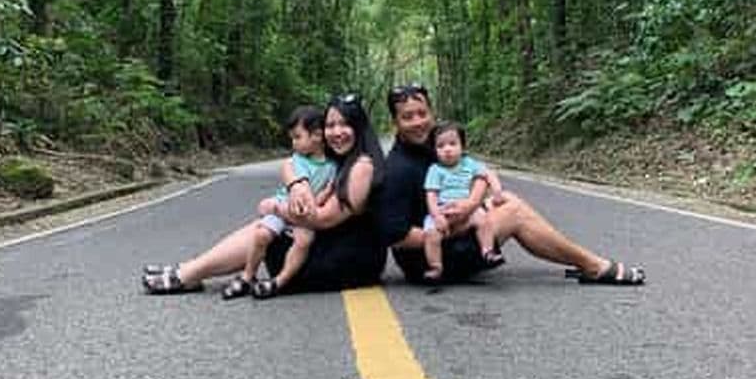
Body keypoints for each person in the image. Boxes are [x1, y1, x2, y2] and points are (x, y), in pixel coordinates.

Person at [382, 84, 645, 286]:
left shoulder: (436, 146)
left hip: (455, 225)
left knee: (506, 199)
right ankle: (593, 266)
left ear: (432, 113)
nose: (418, 122)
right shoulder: (398, 168)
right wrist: (455, 225)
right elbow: (397, 238)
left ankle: (585, 261)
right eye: (408, 117)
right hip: (429, 259)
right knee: (514, 214)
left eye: (422, 113)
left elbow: (477, 175)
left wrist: (472, 204)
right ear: (395, 122)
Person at [142, 94, 386, 296]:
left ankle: (191, 273)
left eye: (345, 125)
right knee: (267, 228)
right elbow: (292, 163)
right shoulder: (338, 157)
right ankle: (191, 270)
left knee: (268, 227)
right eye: (330, 125)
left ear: (360, 128)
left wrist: (275, 207)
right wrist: (297, 185)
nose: (337, 132)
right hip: (330, 246)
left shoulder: (362, 167)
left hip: (347, 261)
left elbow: (323, 219)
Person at [220, 104, 337, 301]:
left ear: (317, 135)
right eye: (292, 138)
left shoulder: (332, 165)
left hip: (308, 215)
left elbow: (328, 190)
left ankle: (280, 280)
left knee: (304, 241)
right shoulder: (297, 160)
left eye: (297, 137)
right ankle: (247, 275)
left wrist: (315, 203)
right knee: (261, 234)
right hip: (284, 206)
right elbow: (299, 187)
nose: (293, 143)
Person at [422, 120, 506, 282]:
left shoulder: (470, 164)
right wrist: (437, 215)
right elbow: (431, 195)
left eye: (452, 144)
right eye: (440, 146)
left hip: (468, 208)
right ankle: (435, 266)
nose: (447, 149)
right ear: (434, 150)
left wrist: (497, 191)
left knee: (483, 219)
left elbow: (489, 174)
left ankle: (487, 251)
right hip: (442, 209)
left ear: (462, 146)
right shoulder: (435, 170)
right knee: (431, 234)